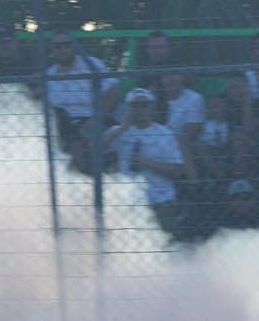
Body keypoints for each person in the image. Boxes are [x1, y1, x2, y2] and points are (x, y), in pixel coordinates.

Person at [104, 88, 190, 237]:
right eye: (134, 105)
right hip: (129, 201)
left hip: (160, 201)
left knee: (168, 243)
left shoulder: (165, 134)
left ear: (151, 107)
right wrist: (123, 127)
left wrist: (147, 163)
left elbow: (176, 172)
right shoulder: (119, 131)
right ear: (127, 108)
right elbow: (97, 148)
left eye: (144, 105)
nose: (140, 109)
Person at [42, 29, 119, 167]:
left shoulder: (91, 65)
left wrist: (97, 118)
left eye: (66, 45)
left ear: (75, 46)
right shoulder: (49, 74)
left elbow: (112, 94)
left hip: (91, 120)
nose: (62, 50)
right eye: (57, 46)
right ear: (51, 50)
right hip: (62, 126)